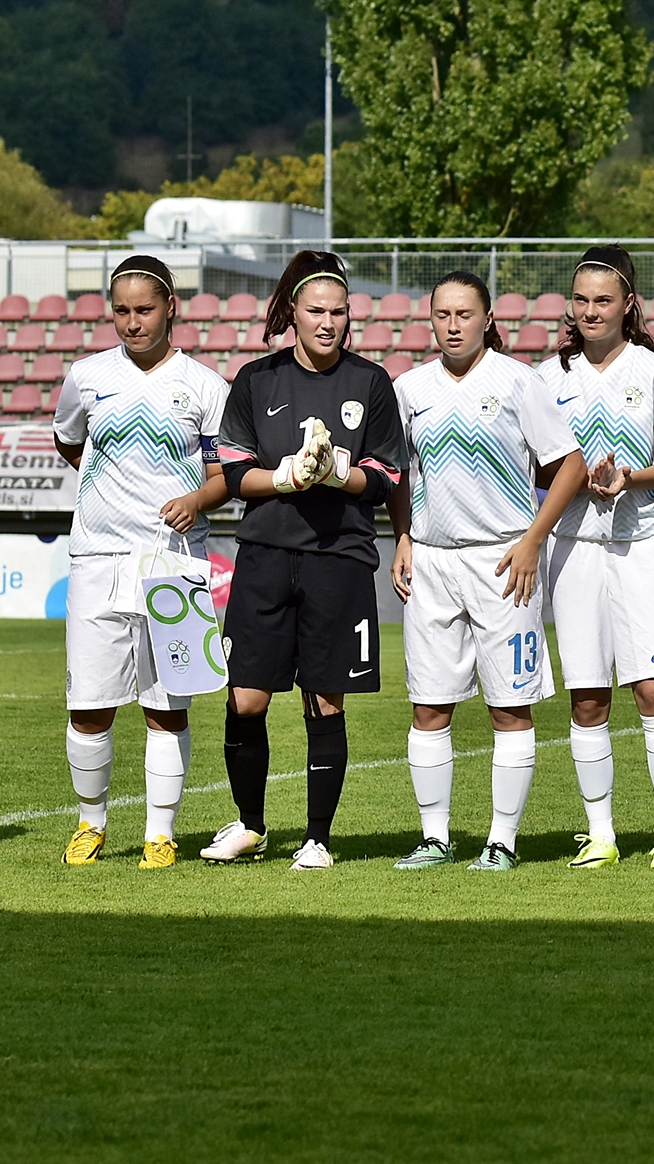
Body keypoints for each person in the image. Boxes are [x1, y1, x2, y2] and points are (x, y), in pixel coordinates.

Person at [203, 250, 406, 870]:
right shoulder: (255, 379)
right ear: (293, 311)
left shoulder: (371, 383)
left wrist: (339, 471)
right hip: (265, 555)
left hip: (338, 558)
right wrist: (288, 477)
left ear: (349, 317)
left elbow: (386, 478)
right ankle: (250, 825)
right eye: (316, 310)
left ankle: (318, 838)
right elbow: (234, 474)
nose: (327, 322)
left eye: (338, 312)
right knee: (246, 699)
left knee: (324, 699)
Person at [390, 271, 587, 872]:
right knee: (429, 706)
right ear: (430, 320)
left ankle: (502, 840)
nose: (453, 326)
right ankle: (434, 838)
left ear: (487, 319)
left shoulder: (519, 382)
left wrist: (533, 540)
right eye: (442, 315)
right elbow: (397, 471)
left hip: (503, 561)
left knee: (510, 706)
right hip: (431, 561)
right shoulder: (409, 388)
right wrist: (403, 537)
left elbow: (571, 465)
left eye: (464, 314)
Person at [54, 255, 229, 868]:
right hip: (97, 558)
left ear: (170, 308)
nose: (132, 323)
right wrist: (111, 493)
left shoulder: (206, 386)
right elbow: (70, 441)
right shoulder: (86, 376)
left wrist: (195, 501)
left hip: (173, 563)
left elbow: (224, 477)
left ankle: (160, 833)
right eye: (122, 311)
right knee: (88, 707)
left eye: (145, 310)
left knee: (166, 707)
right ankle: (90, 823)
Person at [538, 247, 654, 869]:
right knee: (587, 699)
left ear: (628, 304)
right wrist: (573, 479)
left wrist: (629, 478)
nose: (591, 311)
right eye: (581, 300)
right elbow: (537, 466)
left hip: (643, 546)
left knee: (653, 689)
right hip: (573, 549)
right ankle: (600, 833)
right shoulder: (547, 379)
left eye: (604, 300)